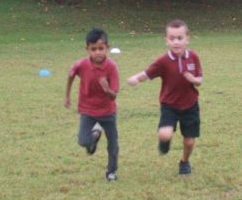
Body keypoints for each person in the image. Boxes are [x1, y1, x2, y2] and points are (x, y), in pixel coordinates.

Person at [127, 19, 203, 175]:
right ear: (166, 40)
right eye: (172, 38)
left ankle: (184, 162)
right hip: (169, 105)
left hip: (190, 105)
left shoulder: (193, 57)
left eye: (180, 38)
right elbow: (148, 73)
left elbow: (200, 80)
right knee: (164, 133)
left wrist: (193, 80)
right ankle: (165, 143)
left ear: (187, 39)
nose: (176, 42)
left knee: (189, 141)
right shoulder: (164, 61)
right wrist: (136, 79)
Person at [65, 28, 119, 182]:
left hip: (108, 111)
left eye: (101, 49)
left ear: (107, 47)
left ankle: (111, 171)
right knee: (82, 141)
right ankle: (94, 136)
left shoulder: (111, 67)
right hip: (87, 110)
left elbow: (114, 95)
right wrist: (67, 96)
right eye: (93, 49)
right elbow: (70, 76)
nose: (97, 53)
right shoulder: (81, 64)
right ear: (87, 49)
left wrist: (107, 89)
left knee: (113, 143)